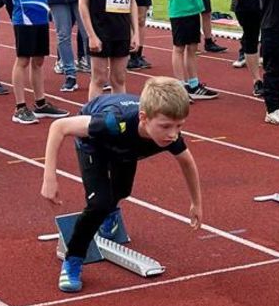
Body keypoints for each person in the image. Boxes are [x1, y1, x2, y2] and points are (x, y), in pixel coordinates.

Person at [41, 77, 203, 293]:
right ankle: (73, 260)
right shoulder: (112, 121)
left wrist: (196, 203)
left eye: (179, 126)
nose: (173, 134)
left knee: (122, 191)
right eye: (165, 126)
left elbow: (187, 163)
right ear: (144, 118)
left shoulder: (170, 135)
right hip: (94, 146)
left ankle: (110, 213)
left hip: (125, 150)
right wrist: (49, 177)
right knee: (99, 203)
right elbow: (59, 126)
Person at [3, 0, 69, 125]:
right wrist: (16, 16)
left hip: (40, 17)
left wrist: (45, 12)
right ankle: (20, 107)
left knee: (39, 60)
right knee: (23, 60)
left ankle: (40, 104)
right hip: (23, 19)